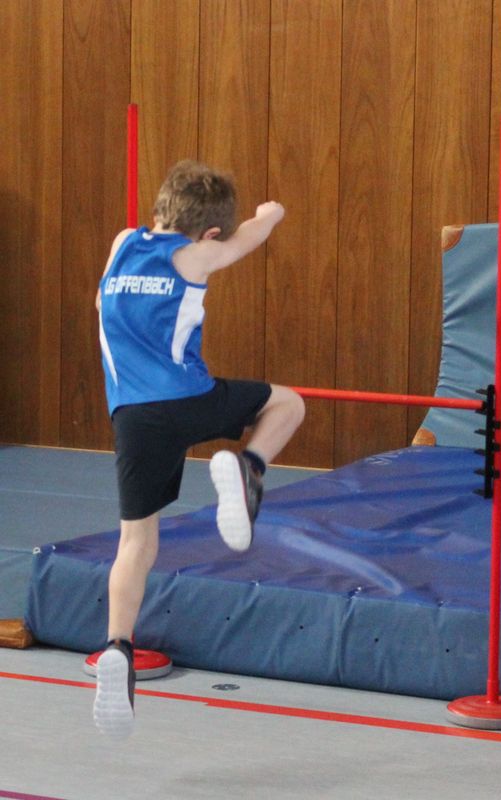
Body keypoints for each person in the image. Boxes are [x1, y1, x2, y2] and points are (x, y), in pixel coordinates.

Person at [93, 160, 305, 738]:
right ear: (209, 232)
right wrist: (269, 215)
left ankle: (117, 646)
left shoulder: (121, 244)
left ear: (160, 209)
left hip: (132, 416)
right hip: (189, 399)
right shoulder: (197, 255)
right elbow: (247, 239)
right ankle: (248, 468)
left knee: (136, 541)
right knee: (287, 404)